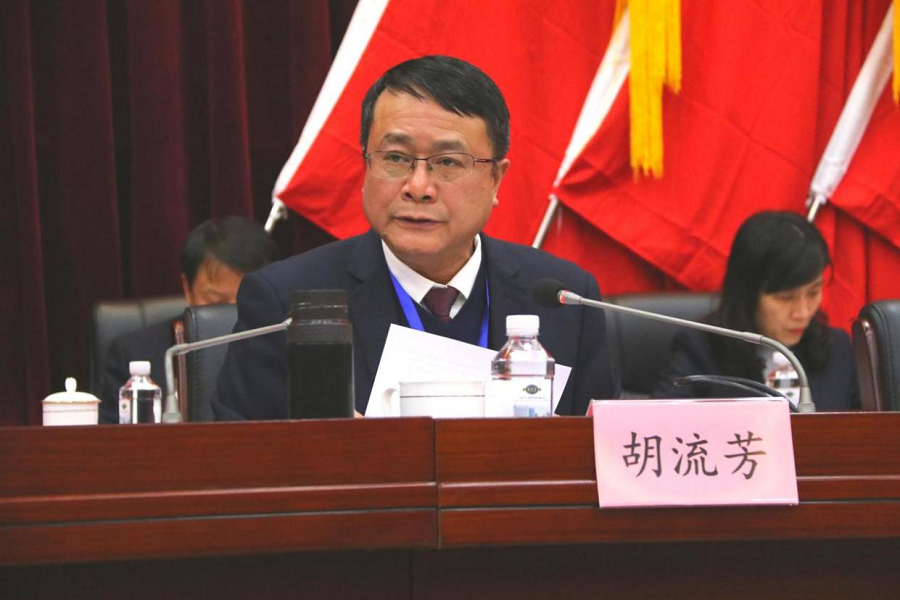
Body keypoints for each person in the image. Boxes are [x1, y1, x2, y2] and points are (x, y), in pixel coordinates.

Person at [213, 55, 620, 420]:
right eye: (395, 158)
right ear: (366, 166)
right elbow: (236, 463)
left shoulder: (565, 301)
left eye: (448, 162)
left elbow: (603, 457)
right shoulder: (286, 299)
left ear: (495, 179)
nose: (418, 187)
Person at [652, 211, 859, 411]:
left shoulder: (838, 349)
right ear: (747, 294)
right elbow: (659, 426)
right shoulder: (700, 350)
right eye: (786, 298)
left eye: (813, 292)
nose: (803, 313)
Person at [99, 216, 279, 423]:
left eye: (244, 299)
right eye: (217, 301)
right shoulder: (134, 352)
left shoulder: (282, 346)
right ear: (187, 288)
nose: (230, 314)